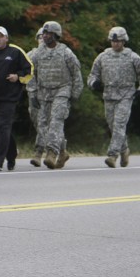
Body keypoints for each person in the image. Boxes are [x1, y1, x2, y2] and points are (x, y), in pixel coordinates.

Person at [87, 27, 140, 168]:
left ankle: (112, 155)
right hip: (109, 96)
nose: (115, 44)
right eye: (113, 41)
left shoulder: (134, 58)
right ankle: (124, 150)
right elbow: (92, 75)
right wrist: (94, 83)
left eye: (118, 41)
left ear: (124, 41)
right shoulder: (102, 57)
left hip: (126, 96)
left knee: (119, 125)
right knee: (112, 125)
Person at [27, 21, 83, 170]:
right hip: (43, 93)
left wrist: (75, 93)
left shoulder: (66, 52)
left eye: (48, 33)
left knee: (56, 121)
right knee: (43, 125)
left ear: (56, 35)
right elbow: (30, 73)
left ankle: (51, 153)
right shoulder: (38, 53)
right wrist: (32, 93)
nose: (44, 36)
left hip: (62, 91)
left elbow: (76, 73)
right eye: (44, 33)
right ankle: (63, 152)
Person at [0, 26, 33, 171]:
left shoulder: (15, 51)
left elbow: (29, 69)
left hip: (9, 97)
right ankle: (12, 155)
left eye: (1, 36)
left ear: (6, 39)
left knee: (4, 126)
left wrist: (18, 77)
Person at [27, 27, 45, 167]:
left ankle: (38, 153)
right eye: (40, 37)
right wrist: (32, 93)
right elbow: (28, 75)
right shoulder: (31, 55)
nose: (42, 40)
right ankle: (62, 148)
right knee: (39, 124)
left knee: (45, 124)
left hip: (50, 95)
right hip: (34, 96)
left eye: (44, 37)